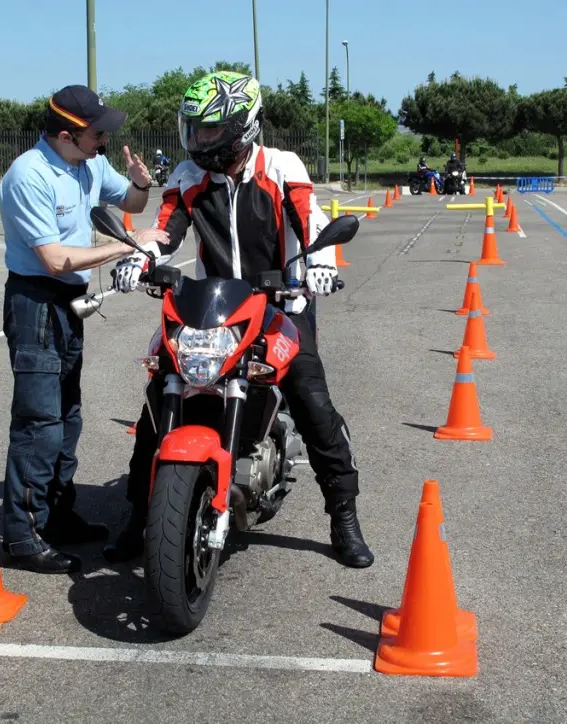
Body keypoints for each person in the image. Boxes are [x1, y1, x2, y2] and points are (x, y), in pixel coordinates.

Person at [103, 70, 374, 569]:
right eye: (195, 129)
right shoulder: (188, 176)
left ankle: (344, 517)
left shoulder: (281, 166)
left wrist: (319, 265)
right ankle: (139, 516)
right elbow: (166, 230)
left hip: (282, 301)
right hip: (210, 305)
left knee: (314, 408)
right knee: (157, 402)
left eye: (209, 130)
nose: (199, 140)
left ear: (242, 126)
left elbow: (309, 219)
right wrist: (139, 256)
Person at [0, 85, 170, 574]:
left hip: (69, 301)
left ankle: (56, 514)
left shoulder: (88, 163)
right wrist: (126, 246)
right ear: (68, 134)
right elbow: (53, 260)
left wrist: (142, 184)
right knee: (39, 422)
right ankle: (23, 535)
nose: (106, 141)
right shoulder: (28, 176)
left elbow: (130, 199)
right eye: (98, 133)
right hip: (36, 300)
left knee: (67, 416)